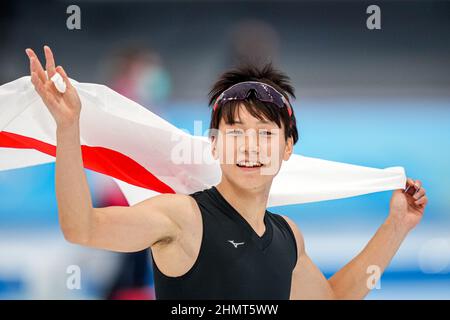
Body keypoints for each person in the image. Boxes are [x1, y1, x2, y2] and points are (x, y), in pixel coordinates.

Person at [24, 45, 428, 300]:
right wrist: (68, 128)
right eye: (236, 131)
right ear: (214, 144)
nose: (250, 146)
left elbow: (332, 299)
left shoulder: (287, 236)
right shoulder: (183, 218)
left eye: (265, 133)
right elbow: (83, 228)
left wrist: (397, 225)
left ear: (287, 148)